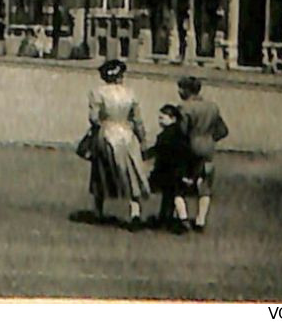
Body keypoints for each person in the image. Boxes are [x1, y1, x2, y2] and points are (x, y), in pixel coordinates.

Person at [86, 58, 150, 228]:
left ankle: (98, 210)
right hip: (127, 134)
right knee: (131, 171)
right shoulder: (130, 93)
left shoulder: (97, 92)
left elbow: (94, 118)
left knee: (100, 171)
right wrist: (143, 139)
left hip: (107, 132)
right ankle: (135, 210)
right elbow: (137, 119)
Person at [176, 75, 230, 232]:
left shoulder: (184, 107)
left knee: (179, 184)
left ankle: (183, 218)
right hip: (208, 146)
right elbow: (223, 130)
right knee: (204, 183)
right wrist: (210, 138)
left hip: (190, 146)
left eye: (180, 88)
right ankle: (200, 220)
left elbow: (182, 131)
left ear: (186, 90)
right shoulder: (213, 107)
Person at [144, 104, 196, 233]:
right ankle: (166, 219)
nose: (159, 121)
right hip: (179, 170)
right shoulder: (181, 134)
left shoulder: (165, 136)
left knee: (174, 196)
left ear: (172, 119)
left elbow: (159, 150)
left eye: (162, 118)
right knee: (172, 196)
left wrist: (144, 155)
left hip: (169, 171)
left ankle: (182, 221)